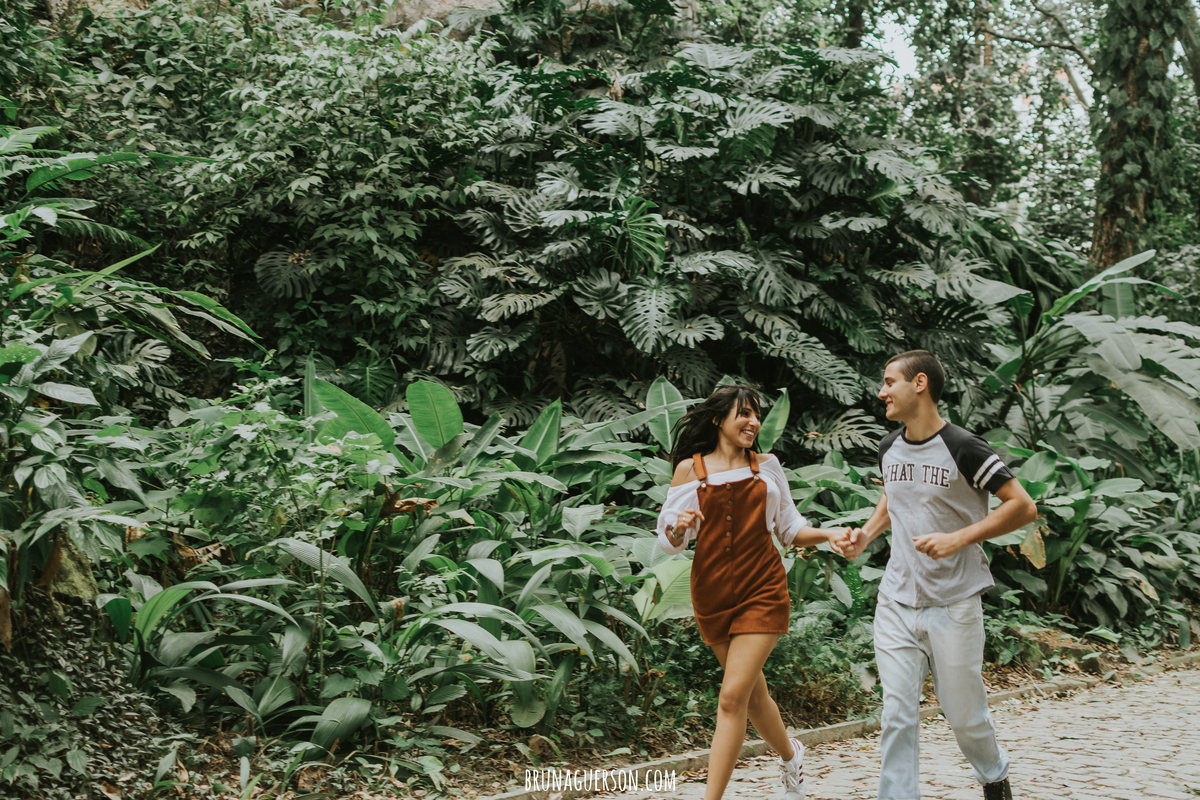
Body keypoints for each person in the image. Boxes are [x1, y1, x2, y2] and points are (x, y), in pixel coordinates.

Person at [844, 350, 1038, 800]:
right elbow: (896, 495)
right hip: (897, 600)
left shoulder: (964, 447)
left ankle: (994, 776)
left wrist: (959, 538)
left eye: (889, 381)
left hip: (954, 602)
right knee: (897, 714)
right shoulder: (888, 447)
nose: (881, 391)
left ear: (920, 383)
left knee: (964, 716)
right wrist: (867, 534)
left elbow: (1022, 506)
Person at [656, 384, 851, 800]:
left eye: (757, 414)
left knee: (731, 698)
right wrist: (678, 528)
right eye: (744, 413)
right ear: (718, 419)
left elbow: (790, 529)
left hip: (762, 588)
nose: (753, 422)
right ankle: (791, 756)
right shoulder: (690, 471)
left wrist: (828, 534)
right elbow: (670, 542)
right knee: (754, 695)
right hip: (712, 593)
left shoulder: (767, 467)